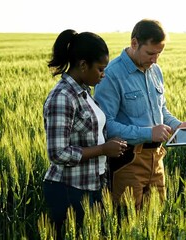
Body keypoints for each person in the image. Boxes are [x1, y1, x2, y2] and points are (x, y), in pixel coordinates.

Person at [94, 19, 186, 209]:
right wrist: (149, 133)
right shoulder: (112, 74)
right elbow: (104, 126)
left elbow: (162, 110)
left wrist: (177, 126)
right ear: (134, 43)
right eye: (150, 53)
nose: (155, 59)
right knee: (127, 222)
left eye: (159, 53)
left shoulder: (155, 70)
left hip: (157, 158)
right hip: (128, 161)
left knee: (156, 219)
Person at [42, 29, 127, 239]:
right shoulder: (63, 97)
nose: (103, 75)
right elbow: (58, 153)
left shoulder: (84, 92)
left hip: (93, 185)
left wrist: (109, 143)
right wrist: (103, 149)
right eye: (100, 69)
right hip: (69, 189)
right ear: (82, 65)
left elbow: (88, 134)